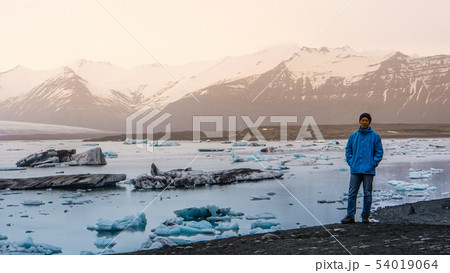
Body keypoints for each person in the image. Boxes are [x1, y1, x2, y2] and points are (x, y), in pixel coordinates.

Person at [341, 113, 383, 224]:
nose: (364, 122)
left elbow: (379, 152)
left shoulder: (375, 136)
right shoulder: (353, 136)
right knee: (351, 193)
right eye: (362, 120)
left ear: (369, 122)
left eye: (366, 120)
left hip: (368, 170)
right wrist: (351, 162)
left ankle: (365, 215)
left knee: (367, 194)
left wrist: (373, 163)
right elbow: (348, 150)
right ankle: (350, 215)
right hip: (355, 169)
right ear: (359, 121)